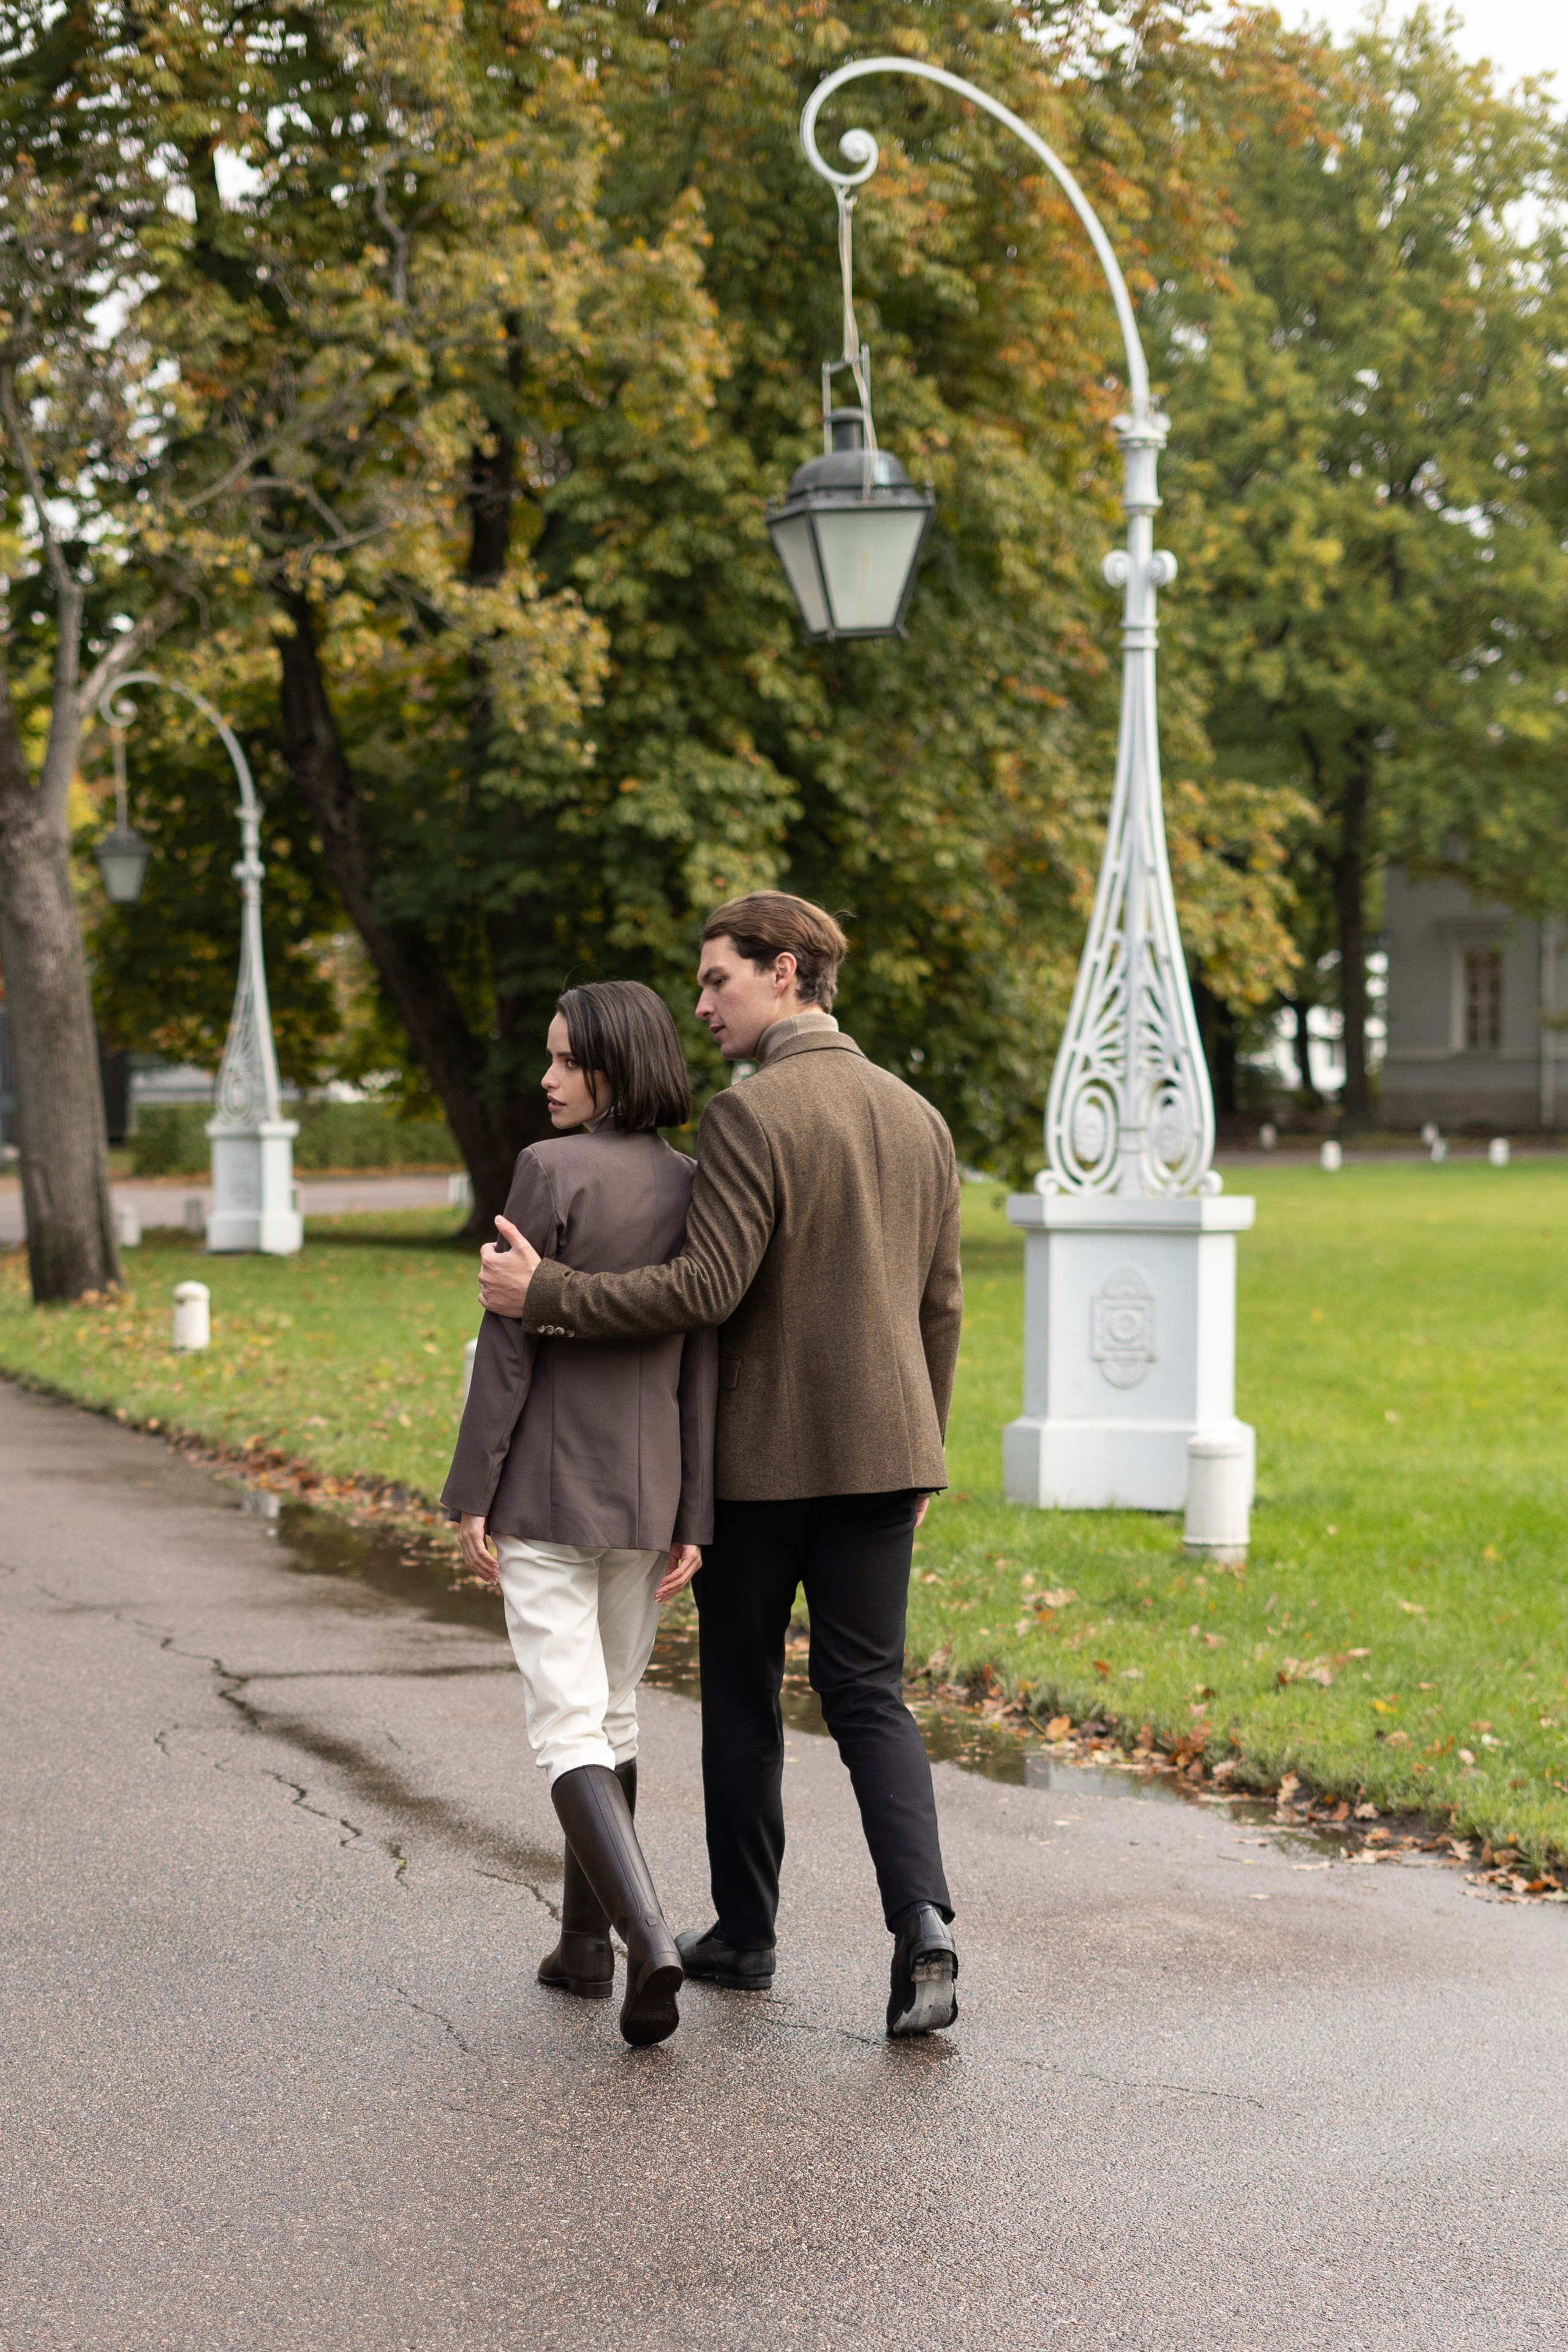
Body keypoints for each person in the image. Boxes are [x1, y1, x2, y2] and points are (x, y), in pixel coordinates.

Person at [478, 894, 963, 2038]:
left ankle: (743, 1935)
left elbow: (705, 1292)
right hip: (891, 1455)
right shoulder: (919, 1117)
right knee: (871, 1699)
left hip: (765, 1461)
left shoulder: (754, 1118)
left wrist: (544, 1293)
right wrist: (924, 1450)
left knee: (744, 1694)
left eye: (718, 982)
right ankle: (927, 1930)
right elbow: (942, 1305)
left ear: (784, 973)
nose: (701, 1006)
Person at [443, 980, 717, 2050]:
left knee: (567, 1726)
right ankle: (583, 1944)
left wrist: (473, 1490)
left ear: (612, 1068)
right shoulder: (696, 1184)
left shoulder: (548, 1170)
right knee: (612, 1715)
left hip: (550, 1494)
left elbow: (508, 1348)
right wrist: (694, 1508)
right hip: (650, 1498)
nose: (547, 1078)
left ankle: (645, 1942)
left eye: (566, 1061)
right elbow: (703, 1359)